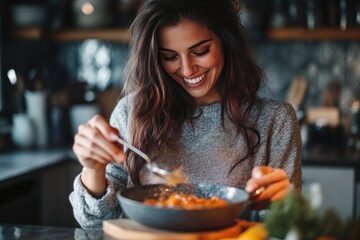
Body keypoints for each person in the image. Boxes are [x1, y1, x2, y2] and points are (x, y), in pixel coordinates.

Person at [70, 0, 302, 230]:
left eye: (200, 51)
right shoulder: (131, 113)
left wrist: (280, 203)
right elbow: (95, 223)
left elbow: (288, 229)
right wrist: (93, 170)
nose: (188, 69)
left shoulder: (276, 120)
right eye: (170, 57)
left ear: (226, 41)